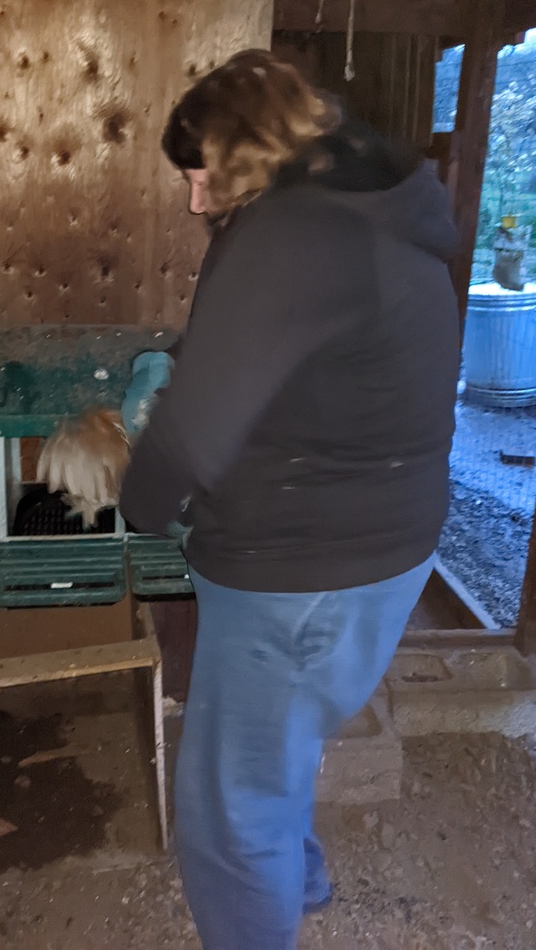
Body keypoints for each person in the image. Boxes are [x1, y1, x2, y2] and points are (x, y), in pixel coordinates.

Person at [119, 49, 460, 950]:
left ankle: (262, 902)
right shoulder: (379, 206)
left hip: (300, 569)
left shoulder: (288, 231)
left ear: (237, 152)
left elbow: (187, 439)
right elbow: (309, 363)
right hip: (387, 548)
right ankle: (300, 875)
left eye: (198, 176)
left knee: (227, 811)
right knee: (284, 740)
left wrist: (139, 502)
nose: (195, 200)